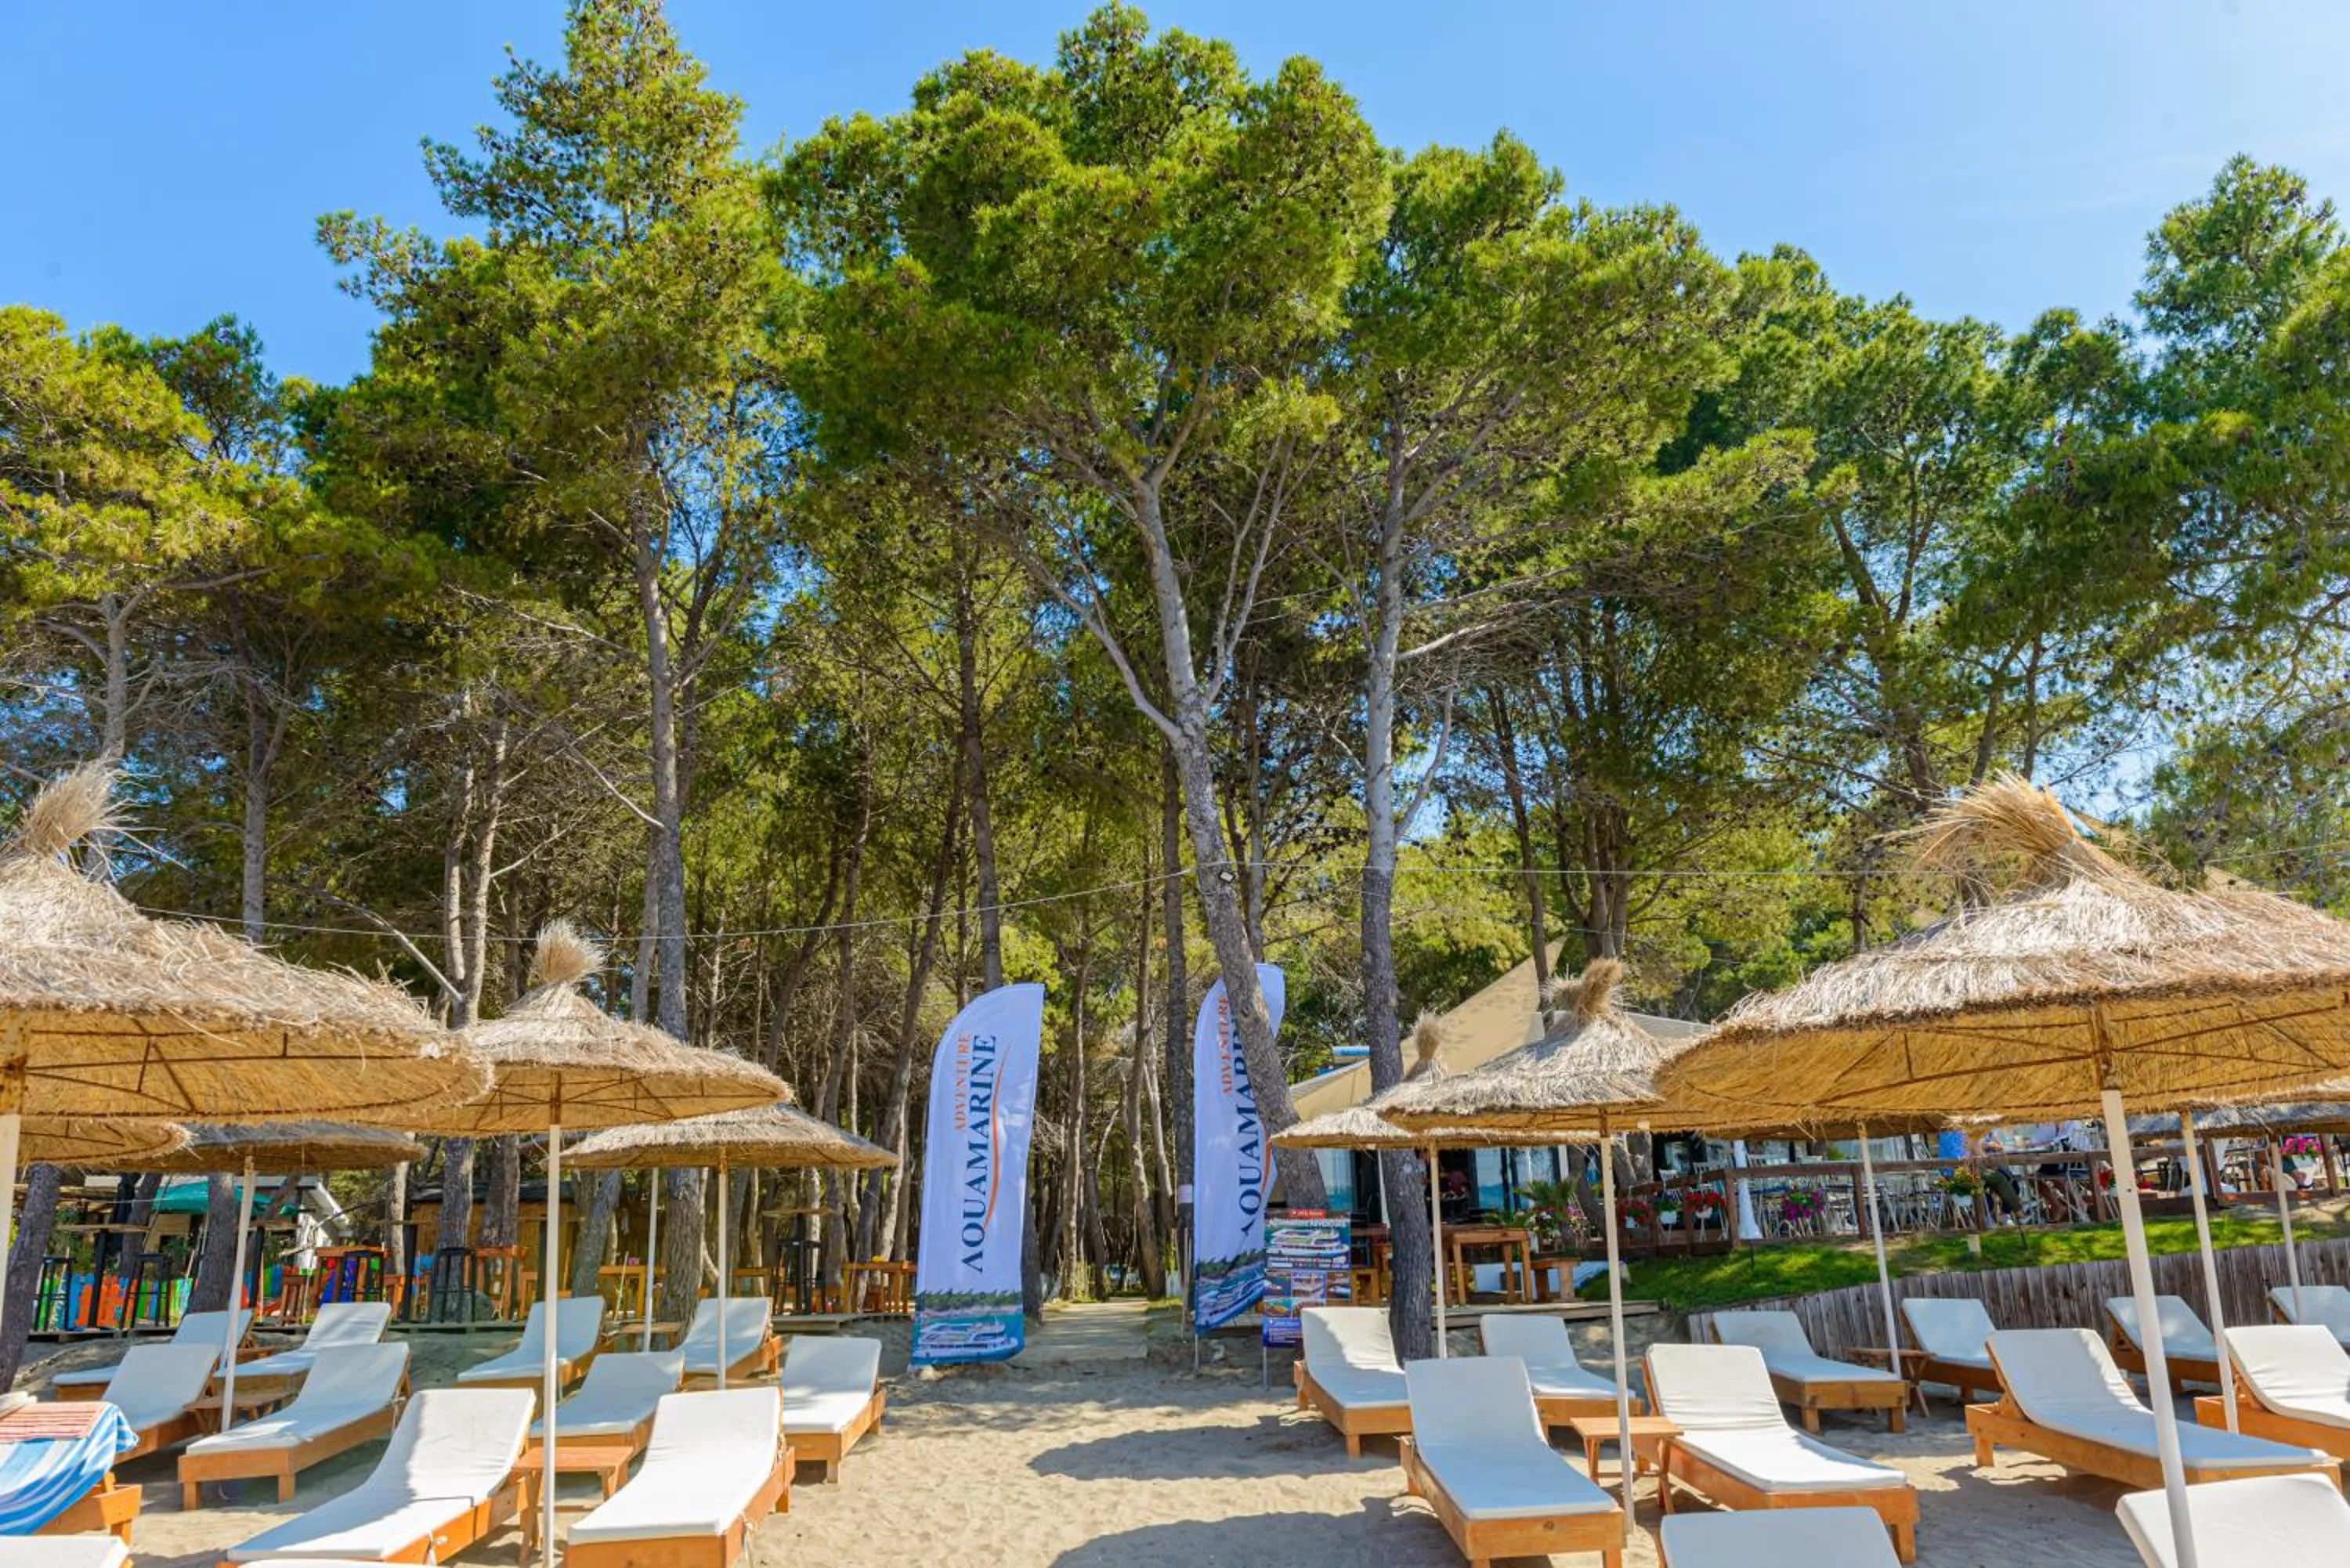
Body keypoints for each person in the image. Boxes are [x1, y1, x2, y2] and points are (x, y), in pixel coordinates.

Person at [1975, 1129, 2023, 1223]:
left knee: (2010, 1178)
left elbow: (2000, 1146)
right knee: (2000, 1178)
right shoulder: (1973, 1132)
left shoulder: (1991, 1131)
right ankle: (2015, 1212)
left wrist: (1997, 1146)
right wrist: (1989, 1146)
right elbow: (1974, 1148)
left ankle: (2008, 1213)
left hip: (1992, 1164)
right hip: (1982, 1167)